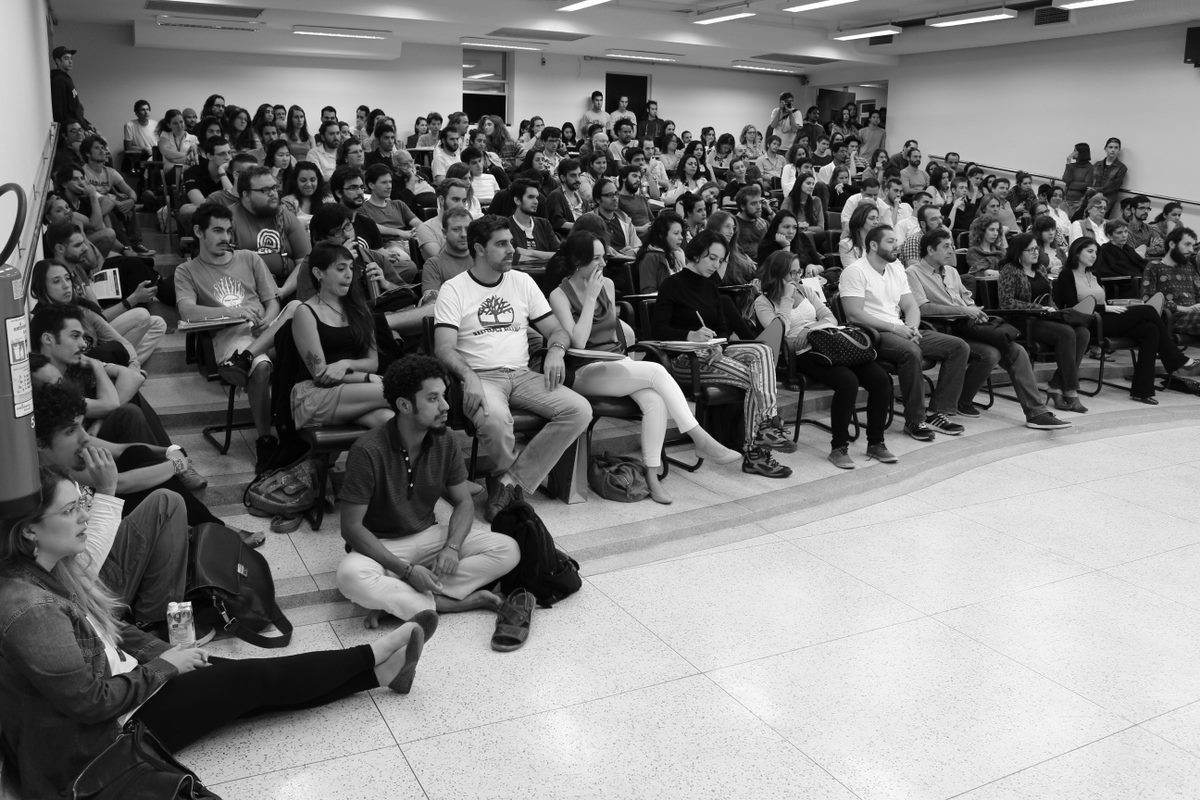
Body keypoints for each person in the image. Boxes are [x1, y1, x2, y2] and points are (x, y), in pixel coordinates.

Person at [0, 466, 432, 800]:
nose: (84, 516)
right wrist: (165, 666)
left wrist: (162, 653)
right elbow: (92, 703)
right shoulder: (31, 608)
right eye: (70, 509)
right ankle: (375, 656)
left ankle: (378, 672)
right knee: (252, 683)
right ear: (30, 531)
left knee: (244, 689)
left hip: (125, 693)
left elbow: (110, 635)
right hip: (105, 736)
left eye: (83, 503)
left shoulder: (50, 572)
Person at [548, 232, 741, 501]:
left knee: (655, 401)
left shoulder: (609, 285)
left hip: (615, 364)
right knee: (656, 371)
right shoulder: (559, 294)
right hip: (585, 369)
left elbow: (613, 336)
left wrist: (598, 294)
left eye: (604, 256)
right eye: (595, 258)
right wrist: (590, 298)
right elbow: (578, 341)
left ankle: (652, 476)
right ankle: (700, 438)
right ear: (578, 261)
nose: (603, 263)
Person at [336, 354, 518, 634]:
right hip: (382, 546)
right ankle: (449, 603)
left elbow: (464, 503)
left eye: (444, 396)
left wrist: (452, 547)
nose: (446, 406)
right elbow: (351, 528)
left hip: (429, 537)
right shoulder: (367, 450)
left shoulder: (445, 440)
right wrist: (407, 570)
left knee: (508, 549)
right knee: (349, 577)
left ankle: (403, 600)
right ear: (405, 405)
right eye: (433, 399)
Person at [433, 216, 593, 521]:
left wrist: (556, 352)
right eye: (502, 244)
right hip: (481, 376)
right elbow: (443, 347)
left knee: (579, 410)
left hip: (521, 374)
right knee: (495, 421)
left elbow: (557, 330)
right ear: (479, 248)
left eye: (512, 242)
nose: (512, 250)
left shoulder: (521, 282)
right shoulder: (454, 289)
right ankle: (504, 480)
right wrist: (468, 377)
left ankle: (507, 481)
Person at [650, 231, 794, 478]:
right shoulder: (672, 285)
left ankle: (767, 427)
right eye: (711, 258)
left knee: (761, 351)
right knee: (755, 378)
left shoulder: (711, 287)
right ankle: (756, 452)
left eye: (720, 260)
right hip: (685, 359)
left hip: (713, 355)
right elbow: (658, 328)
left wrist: (719, 345)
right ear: (696, 254)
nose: (716, 265)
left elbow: (724, 329)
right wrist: (689, 335)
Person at [907, 229, 1072, 430]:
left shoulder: (950, 272)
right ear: (930, 250)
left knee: (1016, 351)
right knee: (990, 353)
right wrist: (964, 310)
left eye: (952, 245)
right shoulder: (913, 273)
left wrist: (974, 310)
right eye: (946, 246)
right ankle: (954, 403)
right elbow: (921, 308)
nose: (952, 250)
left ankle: (1037, 412)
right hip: (944, 330)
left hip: (968, 326)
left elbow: (966, 298)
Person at [755, 251, 896, 467]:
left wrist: (810, 328)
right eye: (790, 273)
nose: (796, 277)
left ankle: (876, 442)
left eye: (798, 271)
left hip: (829, 342)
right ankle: (839, 448)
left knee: (880, 378)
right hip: (802, 354)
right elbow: (777, 331)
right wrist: (785, 298)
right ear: (777, 274)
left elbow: (830, 317)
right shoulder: (762, 302)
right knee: (847, 382)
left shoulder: (806, 290)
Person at [839, 225, 970, 442]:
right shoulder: (855, 271)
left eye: (896, 241)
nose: (897, 246)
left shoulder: (896, 267)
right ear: (873, 245)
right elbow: (854, 315)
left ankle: (938, 412)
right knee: (911, 351)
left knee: (958, 347)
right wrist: (896, 328)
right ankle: (915, 419)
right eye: (890, 241)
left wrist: (912, 328)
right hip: (873, 334)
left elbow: (911, 306)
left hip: (900, 329)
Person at [176, 203, 280, 467]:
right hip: (230, 335)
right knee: (261, 367)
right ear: (199, 232)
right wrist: (235, 312)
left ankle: (294, 431)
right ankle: (266, 440)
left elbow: (272, 303)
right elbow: (187, 311)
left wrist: (266, 320)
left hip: (267, 329)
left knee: (295, 312)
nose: (226, 238)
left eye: (229, 231)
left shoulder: (250, 258)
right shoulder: (186, 271)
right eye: (218, 231)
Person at [1055, 237, 1200, 403]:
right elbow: (1072, 306)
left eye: (1096, 252)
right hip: (1089, 321)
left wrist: (1117, 305)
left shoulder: (1094, 274)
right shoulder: (1067, 274)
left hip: (1106, 317)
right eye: (1089, 251)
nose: (1094, 255)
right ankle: (1174, 358)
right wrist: (1105, 308)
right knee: (1148, 311)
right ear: (1076, 252)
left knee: (1149, 329)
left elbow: (1105, 301)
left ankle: (1142, 390)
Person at [38, 223, 165, 366]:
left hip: (95, 326)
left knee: (158, 324)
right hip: (84, 337)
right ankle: (121, 367)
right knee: (142, 315)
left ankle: (126, 365)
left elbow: (98, 313)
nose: (85, 248)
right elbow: (95, 318)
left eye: (84, 243)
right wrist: (133, 299)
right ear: (60, 248)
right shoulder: (57, 279)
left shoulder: (78, 270)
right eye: (78, 245)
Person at [997, 233, 1090, 414]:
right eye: (1030, 249)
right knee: (1066, 332)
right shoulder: (1009, 270)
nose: (1035, 252)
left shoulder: (1039, 269)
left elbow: (1049, 297)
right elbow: (1006, 302)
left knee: (1083, 332)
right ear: (1018, 252)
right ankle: (1070, 390)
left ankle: (1056, 385)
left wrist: (1053, 310)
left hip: (1044, 318)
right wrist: (1037, 307)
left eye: (1036, 249)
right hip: (1022, 321)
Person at [231, 165, 312, 286]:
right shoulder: (228, 219)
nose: (273, 193)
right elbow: (222, 266)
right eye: (265, 190)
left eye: (274, 187)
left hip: (287, 286)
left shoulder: (284, 215)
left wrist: (283, 291)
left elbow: (304, 263)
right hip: (245, 288)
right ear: (246, 195)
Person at [1142, 227, 1200, 336]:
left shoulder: (1189, 267)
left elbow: (1198, 294)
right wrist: (1184, 309)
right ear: (1172, 244)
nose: (1192, 250)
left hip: (1194, 316)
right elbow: (1148, 300)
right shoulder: (1154, 267)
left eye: (1193, 245)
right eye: (1187, 244)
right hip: (1172, 317)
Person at [508, 178, 560, 266]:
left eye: (536, 197)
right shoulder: (505, 226)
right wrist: (547, 257)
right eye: (530, 197)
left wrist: (531, 253)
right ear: (517, 200)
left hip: (546, 278)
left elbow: (561, 254)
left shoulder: (544, 224)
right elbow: (513, 258)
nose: (536, 201)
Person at [634, 210, 685, 292]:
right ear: (661, 235)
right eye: (676, 233)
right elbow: (648, 292)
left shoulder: (677, 254)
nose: (681, 237)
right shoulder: (650, 258)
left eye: (681, 233)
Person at [1095, 219, 1148, 287]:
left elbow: (1142, 264)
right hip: (1118, 287)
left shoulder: (1127, 248)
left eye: (1126, 232)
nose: (1124, 235)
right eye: (1119, 233)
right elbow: (1119, 270)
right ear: (1109, 236)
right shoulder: (1105, 250)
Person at [546, 158, 589, 237]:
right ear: (563, 178)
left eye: (579, 175)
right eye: (573, 175)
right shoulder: (556, 196)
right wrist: (581, 227)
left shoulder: (584, 201)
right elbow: (557, 223)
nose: (578, 179)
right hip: (566, 241)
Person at [279, 160, 327, 228]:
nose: (308, 184)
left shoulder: (326, 200)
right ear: (295, 182)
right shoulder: (288, 202)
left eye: (313, 180)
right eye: (303, 180)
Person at [1090, 137, 1127, 215]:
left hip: (1108, 200)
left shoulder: (1122, 168)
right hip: (1092, 197)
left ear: (1119, 150)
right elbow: (1090, 180)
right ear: (1105, 149)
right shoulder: (1097, 164)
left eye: (1116, 148)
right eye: (1110, 147)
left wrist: (1095, 190)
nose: (1113, 150)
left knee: (1100, 220)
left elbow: (1114, 186)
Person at [966, 213, 1007, 279]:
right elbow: (980, 272)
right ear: (982, 231)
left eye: (997, 230)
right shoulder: (973, 252)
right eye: (992, 230)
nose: (995, 233)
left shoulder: (1001, 251)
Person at [839, 203, 880, 269]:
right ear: (860, 220)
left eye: (877, 219)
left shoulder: (880, 243)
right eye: (872, 218)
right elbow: (852, 272)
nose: (876, 222)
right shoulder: (846, 244)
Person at [1062, 144, 1094, 215]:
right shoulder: (1072, 166)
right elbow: (1065, 179)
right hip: (1066, 199)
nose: (1073, 153)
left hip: (1078, 202)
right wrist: (1068, 163)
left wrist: (1070, 184)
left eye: (1075, 150)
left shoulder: (1090, 168)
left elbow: (1086, 185)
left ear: (1082, 152)